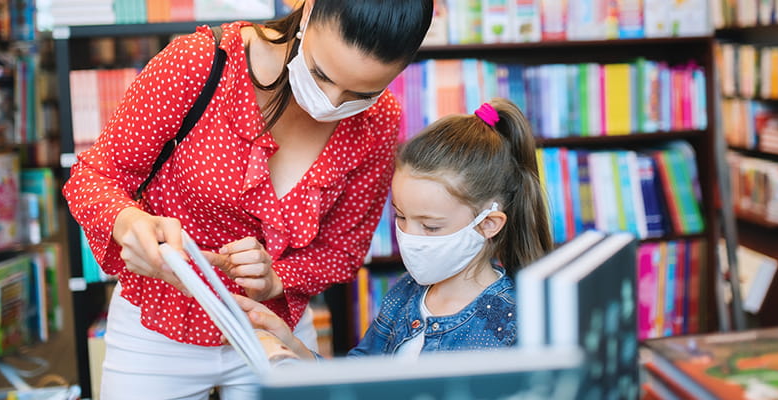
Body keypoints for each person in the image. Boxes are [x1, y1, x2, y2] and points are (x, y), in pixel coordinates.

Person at [61, 0, 433, 398]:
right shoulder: (201, 62)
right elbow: (95, 174)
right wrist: (128, 223)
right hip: (157, 323)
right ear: (306, 12)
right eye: (320, 74)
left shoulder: (379, 121)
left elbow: (342, 250)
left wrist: (277, 279)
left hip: (275, 332)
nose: (331, 103)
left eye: (361, 93)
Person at [236, 98, 554, 361]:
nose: (411, 237)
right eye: (401, 217)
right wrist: (287, 343)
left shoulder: (515, 319)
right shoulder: (406, 293)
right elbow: (360, 380)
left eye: (430, 226)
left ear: (487, 224)